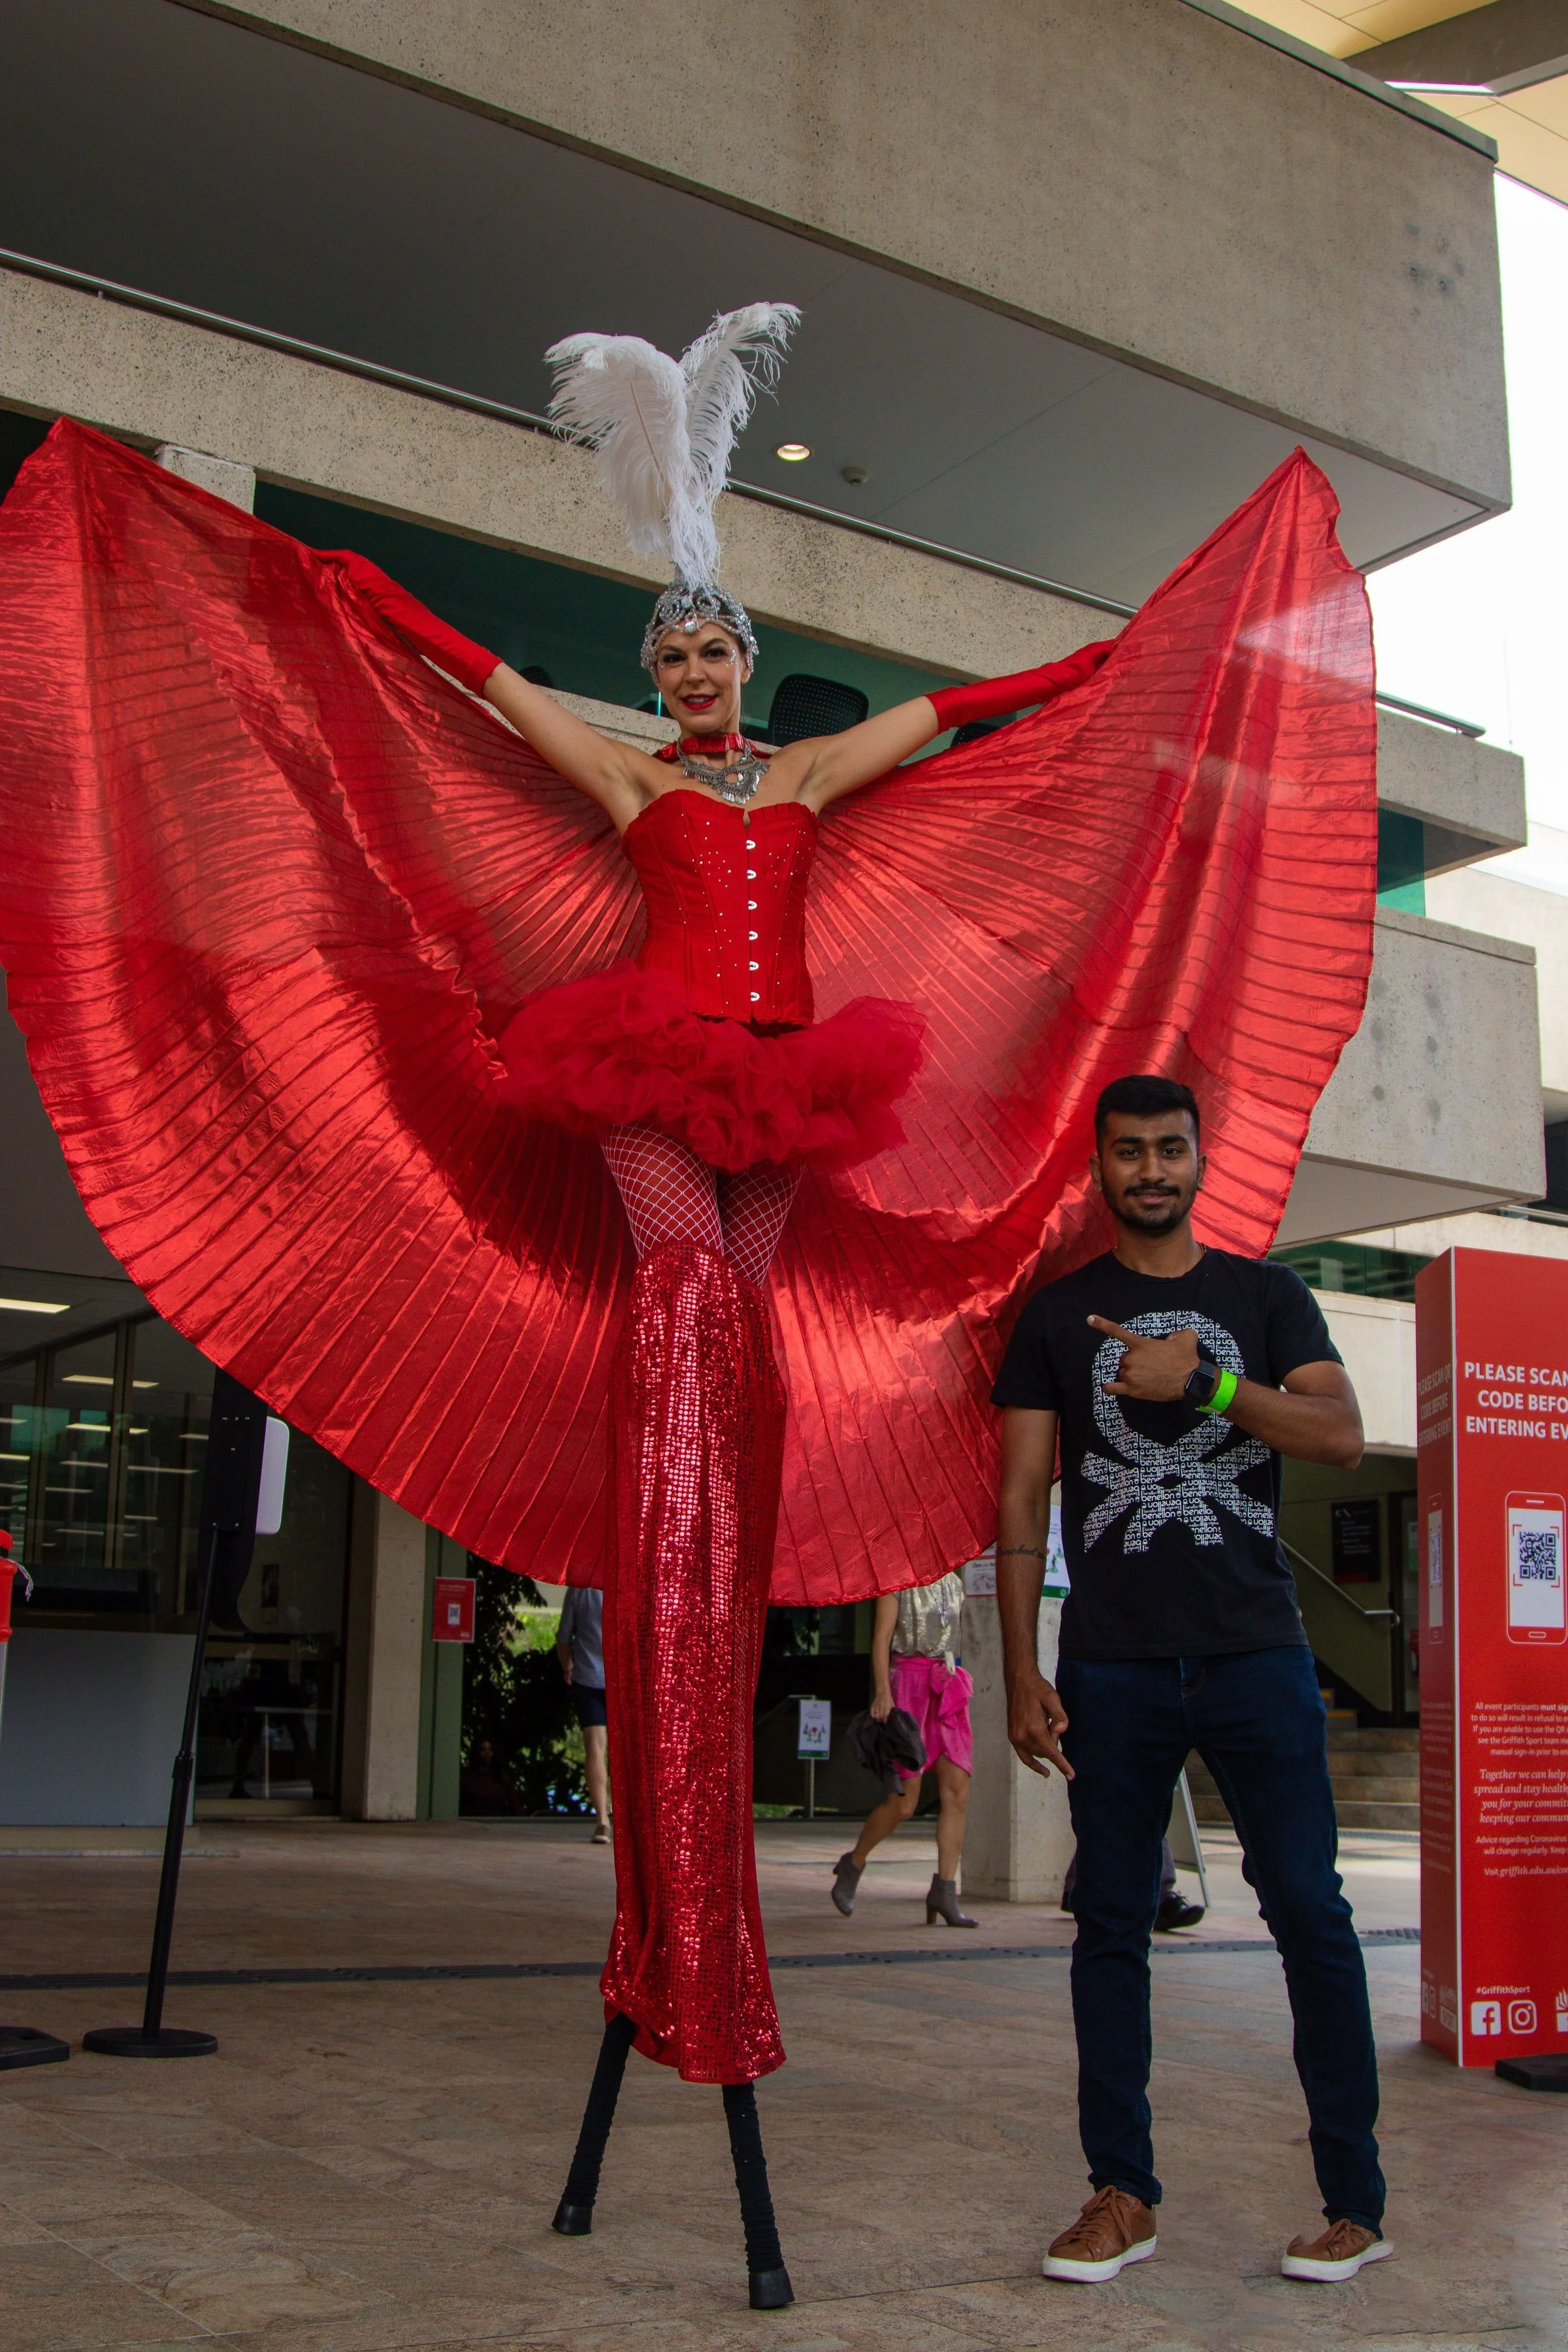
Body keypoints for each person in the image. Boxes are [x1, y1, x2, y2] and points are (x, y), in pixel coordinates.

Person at [0, 318, 1379, 2306]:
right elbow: (462, 676)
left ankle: (714, 1548)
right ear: (652, 677)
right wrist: (335, 577)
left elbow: (962, 715)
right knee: (674, 1314)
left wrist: (1110, 667)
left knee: (731, 1327)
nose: (690, 673)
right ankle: (666, 1579)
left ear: (741, 655)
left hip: (786, 1091)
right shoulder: (613, 770)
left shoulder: (805, 772)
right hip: (654, 1074)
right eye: (667, 656)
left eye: (709, 648)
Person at [992, 1074, 1388, 2289]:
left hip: (1256, 1652)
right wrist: (1020, 1666)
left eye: (1170, 1148)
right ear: (1100, 1168)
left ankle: (1355, 2204)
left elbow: (1340, 1436)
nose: (1152, 1169)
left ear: (1200, 1158)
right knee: (1110, 1923)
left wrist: (1204, 1383)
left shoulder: (1266, 1299)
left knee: (1309, 1912)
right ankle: (1121, 2194)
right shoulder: (1055, 1320)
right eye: (1129, 1151)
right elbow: (1020, 1499)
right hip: (1110, 1664)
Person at [831, 1575, 977, 1926]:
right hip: (909, 1687)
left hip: (946, 1683)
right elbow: (881, 1639)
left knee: (957, 1793)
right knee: (904, 1803)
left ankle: (945, 1891)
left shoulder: (955, 1583)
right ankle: (854, 1863)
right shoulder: (898, 1580)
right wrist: (883, 1692)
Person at [556, 1584, 611, 1842]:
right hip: (623, 1680)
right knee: (627, 1751)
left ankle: (602, 1821)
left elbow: (564, 1637)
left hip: (587, 1678)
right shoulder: (631, 1584)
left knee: (595, 1748)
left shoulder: (579, 1589)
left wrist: (568, 1666)